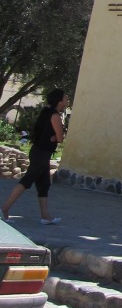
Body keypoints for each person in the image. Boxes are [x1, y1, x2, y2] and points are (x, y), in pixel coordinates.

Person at [1, 89, 68, 224]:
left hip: (40, 151)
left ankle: (45, 216)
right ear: (59, 101)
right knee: (27, 180)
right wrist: (57, 136)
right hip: (41, 153)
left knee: (44, 184)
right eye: (65, 98)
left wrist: (54, 137)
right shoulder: (55, 116)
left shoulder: (47, 113)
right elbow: (60, 138)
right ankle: (4, 209)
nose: (67, 100)